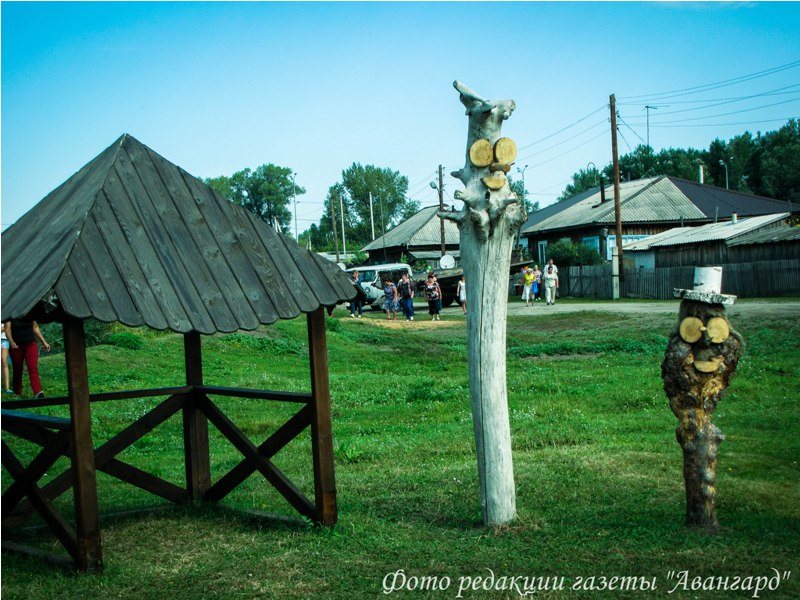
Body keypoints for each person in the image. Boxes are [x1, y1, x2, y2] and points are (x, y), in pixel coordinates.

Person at [5, 319, 50, 398]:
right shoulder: (11, 313)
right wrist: (11, 342)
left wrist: (44, 342)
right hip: (16, 346)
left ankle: (37, 392)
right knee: (17, 369)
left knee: (32, 367)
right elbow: (7, 330)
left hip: (31, 344)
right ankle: (17, 392)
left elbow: (35, 328)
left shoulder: (29, 312)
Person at [2, 322, 11, 394]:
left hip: (4, 339)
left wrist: (3, 329)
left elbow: (7, 327)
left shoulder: (5, 311)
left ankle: (7, 388)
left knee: (4, 362)